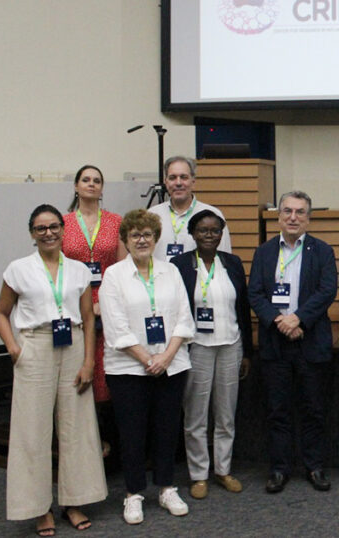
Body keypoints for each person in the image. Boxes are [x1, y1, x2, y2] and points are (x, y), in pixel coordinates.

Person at [0, 204, 106, 536]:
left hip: (72, 346)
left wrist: (89, 361)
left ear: (63, 229)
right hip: (35, 346)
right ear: (32, 233)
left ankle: (74, 501)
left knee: (77, 429)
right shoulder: (18, 269)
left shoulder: (78, 271)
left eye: (54, 226)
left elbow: (88, 319)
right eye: (41, 228)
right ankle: (38, 507)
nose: (49, 233)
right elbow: (1, 312)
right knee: (32, 431)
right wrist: (13, 347)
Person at [99, 209, 195, 524]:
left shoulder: (170, 271)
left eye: (148, 235)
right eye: (135, 235)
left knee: (167, 430)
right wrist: (146, 359)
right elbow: (115, 327)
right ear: (125, 240)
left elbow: (184, 317)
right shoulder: (113, 275)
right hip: (127, 369)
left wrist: (165, 357)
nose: (142, 240)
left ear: (156, 239)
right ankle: (133, 493)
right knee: (132, 433)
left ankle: (166, 488)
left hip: (171, 364)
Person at [248, 191, 338, 493]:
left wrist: (297, 319)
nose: (293, 217)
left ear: (308, 218)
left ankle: (314, 467)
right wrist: (279, 321)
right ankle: (279, 468)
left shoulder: (322, 251)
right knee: (278, 410)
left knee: (314, 409)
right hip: (275, 342)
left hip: (310, 342)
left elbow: (327, 291)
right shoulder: (264, 252)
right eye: (287, 211)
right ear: (278, 216)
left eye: (300, 212)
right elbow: (255, 294)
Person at [170, 210, 251, 500]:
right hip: (197, 347)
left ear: (221, 234)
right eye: (203, 230)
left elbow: (242, 308)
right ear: (192, 234)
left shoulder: (231, 263)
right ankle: (198, 474)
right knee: (196, 414)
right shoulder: (179, 265)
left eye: (215, 230)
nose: (209, 235)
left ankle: (223, 470)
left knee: (226, 413)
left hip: (231, 344)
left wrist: (247, 352)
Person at [61, 164, 127, 456]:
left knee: (105, 373)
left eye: (96, 181)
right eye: (85, 180)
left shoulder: (115, 222)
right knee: (77, 369)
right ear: (76, 186)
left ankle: (109, 440)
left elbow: (124, 268)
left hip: (108, 305)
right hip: (73, 306)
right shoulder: (62, 223)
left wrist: (103, 304)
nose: (91, 184)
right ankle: (82, 442)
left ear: (102, 188)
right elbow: (57, 268)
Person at [148, 156, 232, 261]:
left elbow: (224, 258)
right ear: (166, 182)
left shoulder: (212, 215)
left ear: (193, 181)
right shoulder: (151, 215)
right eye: (172, 178)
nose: (178, 183)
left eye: (184, 177)